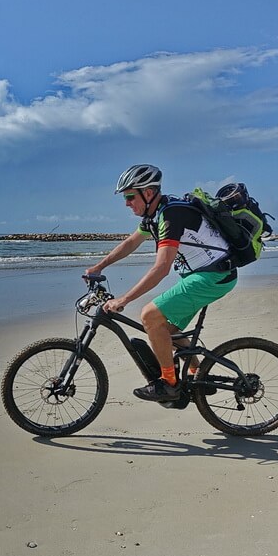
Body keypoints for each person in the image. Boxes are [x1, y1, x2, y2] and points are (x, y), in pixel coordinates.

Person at [84, 164, 238, 402]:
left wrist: (124, 300)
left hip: (213, 277)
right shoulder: (155, 215)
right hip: (205, 276)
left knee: (150, 316)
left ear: (147, 193)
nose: (126, 203)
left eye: (130, 196)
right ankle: (197, 374)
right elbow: (130, 243)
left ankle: (169, 383)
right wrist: (99, 266)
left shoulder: (171, 215)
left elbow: (161, 268)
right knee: (165, 330)